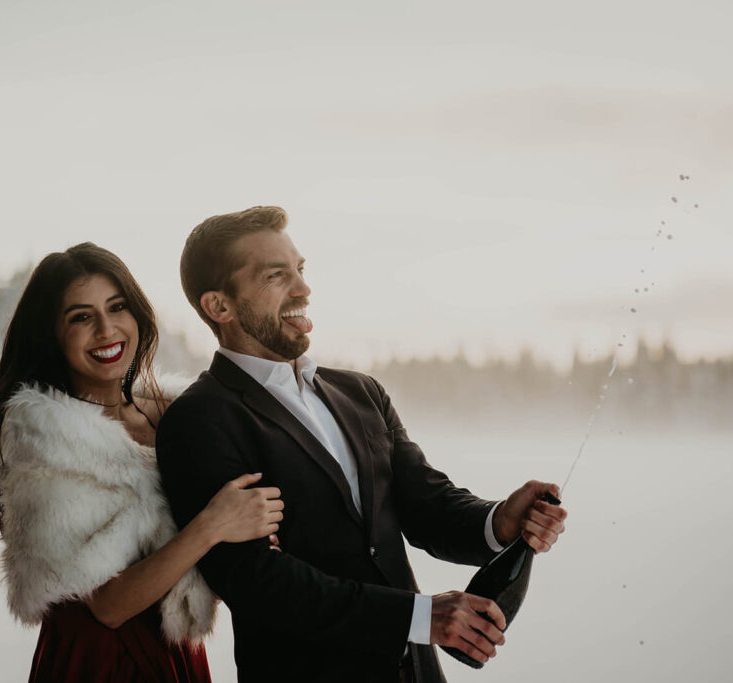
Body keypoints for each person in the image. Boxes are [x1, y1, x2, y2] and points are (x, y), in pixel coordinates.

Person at [156, 206, 569, 683]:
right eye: (276, 275)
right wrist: (416, 617)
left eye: (300, 270)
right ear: (219, 306)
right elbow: (255, 582)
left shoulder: (360, 392)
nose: (303, 289)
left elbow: (426, 503)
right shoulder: (200, 419)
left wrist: (498, 521)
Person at [0, 242, 284, 682]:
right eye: (81, 317)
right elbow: (109, 606)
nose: (106, 329)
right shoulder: (44, 437)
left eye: (117, 307)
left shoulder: (178, 414)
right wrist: (211, 526)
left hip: (176, 653)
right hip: (101, 660)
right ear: (52, 335)